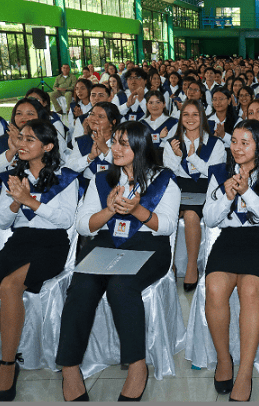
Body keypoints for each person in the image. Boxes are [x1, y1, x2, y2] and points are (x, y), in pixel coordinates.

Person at [57, 121, 180, 402]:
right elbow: (84, 226)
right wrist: (109, 210)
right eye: (114, 142)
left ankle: (137, 366)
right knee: (82, 285)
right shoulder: (102, 179)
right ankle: (69, 368)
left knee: (122, 286)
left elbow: (168, 226)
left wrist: (137, 210)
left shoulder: (163, 179)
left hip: (148, 247)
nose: (114, 148)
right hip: (107, 241)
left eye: (123, 143)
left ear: (140, 147)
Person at [0, 119, 79, 401]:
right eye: (21, 138)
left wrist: (30, 201)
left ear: (47, 146)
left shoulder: (65, 177)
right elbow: (2, 222)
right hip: (20, 241)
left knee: (10, 287)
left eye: (30, 140)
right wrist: (15, 201)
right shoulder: (13, 176)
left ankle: (8, 363)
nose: (22, 144)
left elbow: (66, 220)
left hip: (51, 243)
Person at [203, 119, 259, 402]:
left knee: (250, 290)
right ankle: (224, 359)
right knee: (214, 289)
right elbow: (210, 218)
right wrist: (227, 196)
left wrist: (246, 192)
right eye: (234, 141)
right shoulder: (219, 172)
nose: (237, 148)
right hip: (229, 241)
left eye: (245, 142)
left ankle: (245, 372)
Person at [163, 99, 227, 291]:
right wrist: (177, 156)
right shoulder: (172, 143)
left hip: (205, 186)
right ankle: (167, 264)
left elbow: (213, 173)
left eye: (195, 114)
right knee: (165, 213)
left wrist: (192, 158)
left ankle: (192, 266)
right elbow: (168, 174)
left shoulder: (215, 143)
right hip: (177, 186)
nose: (190, 119)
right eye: (186, 114)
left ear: (202, 117)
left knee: (191, 215)